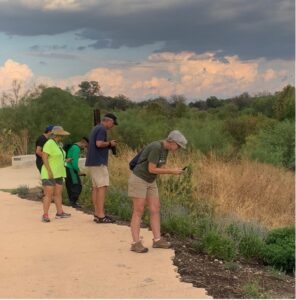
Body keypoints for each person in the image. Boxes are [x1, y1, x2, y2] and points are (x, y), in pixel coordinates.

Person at [128, 130, 187, 253]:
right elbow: (152, 169)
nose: (178, 149)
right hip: (139, 179)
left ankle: (157, 240)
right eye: (179, 146)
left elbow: (159, 167)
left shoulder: (165, 150)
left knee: (155, 209)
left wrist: (175, 169)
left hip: (150, 180)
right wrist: (171, 171)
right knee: (138, 210)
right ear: (172, 142)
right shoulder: (156, 147)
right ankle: (135, 243)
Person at [85, 112, 118, 223]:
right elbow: (99, 144)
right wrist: (110, 144)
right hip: (99, 162)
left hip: (92, 161)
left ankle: (96, 213)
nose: (112, 126)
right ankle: (101, 215)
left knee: (96, 188)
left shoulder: (96, 128)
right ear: (108, 121)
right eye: (113, 123)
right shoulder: (102, 129)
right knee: (102, 187)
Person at [41, 126, 72, 223]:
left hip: (59, 173)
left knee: (58, 194)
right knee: (48, 195)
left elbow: (56, 158)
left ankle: (60, 212)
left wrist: (65, 160)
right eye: (61, 134)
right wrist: (49, 171)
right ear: (57, 134)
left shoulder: (58, 144)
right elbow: (44, 157)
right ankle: (45, 215)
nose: (62, 136)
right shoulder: (49, 143)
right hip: (49, 173)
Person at [65, 137, 89, 208]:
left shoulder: (73, 146)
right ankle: (73, 202)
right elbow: (74, 162)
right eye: (85, 146)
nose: (85, 148)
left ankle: (71, 201)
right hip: (71, 169)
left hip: (67, 168)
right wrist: (78, 171)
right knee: (77, 185)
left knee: (70, 185)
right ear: (83, 142)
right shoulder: (76, 148)